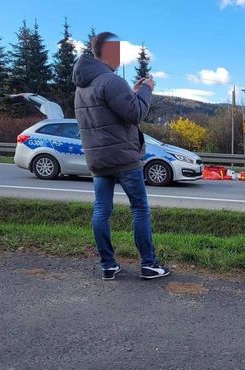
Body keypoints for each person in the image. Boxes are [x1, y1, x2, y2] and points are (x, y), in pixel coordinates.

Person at [72, 32, 169, 281]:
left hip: (98, 160)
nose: (119, 56)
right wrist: (146, 90)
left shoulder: (81, 87)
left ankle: (108, 265)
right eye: (116, 50)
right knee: (139, 209)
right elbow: (135, 113)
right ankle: (149, 264)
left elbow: (116, 110)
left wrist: (132, 92)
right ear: (106, 52)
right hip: (124, 158)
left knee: (101, 210)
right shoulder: (111, 81)